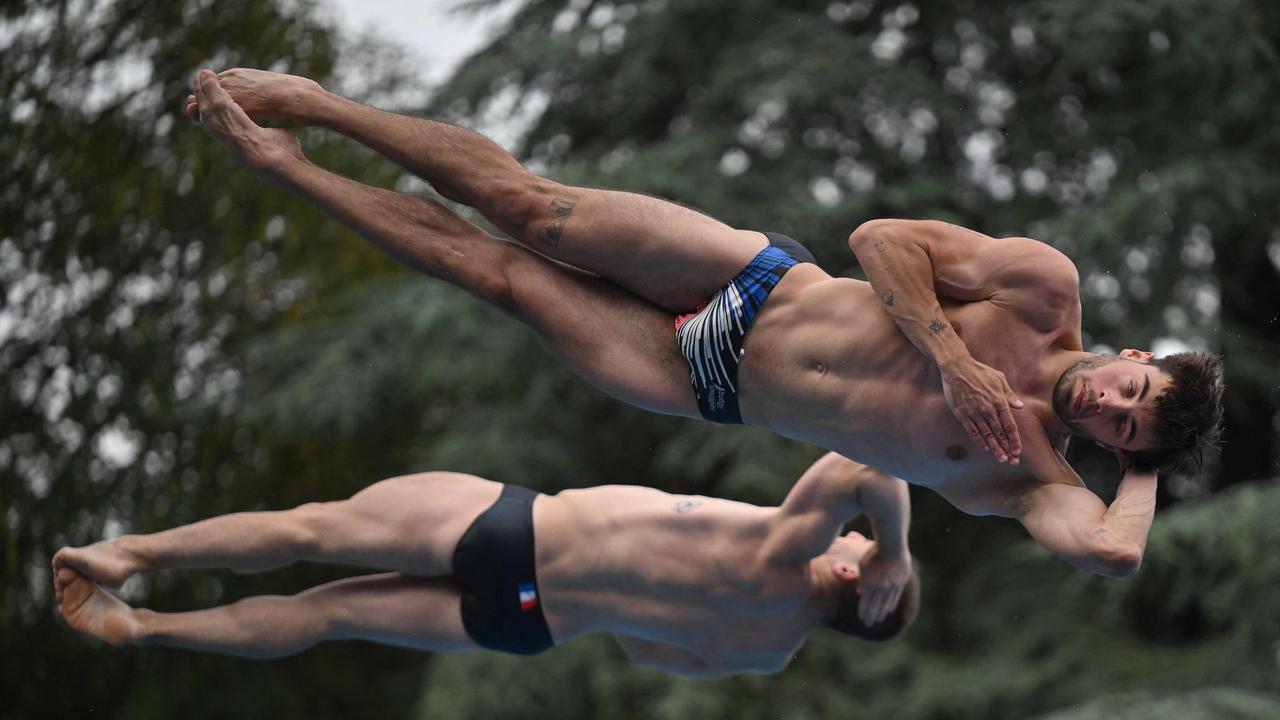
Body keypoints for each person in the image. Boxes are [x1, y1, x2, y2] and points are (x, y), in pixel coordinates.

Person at [184, 69, 1222, 582]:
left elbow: (1109, 557)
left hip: (705, 385)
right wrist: (949, 355)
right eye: (1132, 390)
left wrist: (1147, 464)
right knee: (527, 209)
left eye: (1123, 427)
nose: (1107, 405)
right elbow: (875, 240)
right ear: (1133, 356)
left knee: (498, 276)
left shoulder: (1036, 474)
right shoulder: (1041, 290)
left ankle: (286, 166)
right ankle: (318, 107)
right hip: (756, 282)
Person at [54, 454, 920, 678]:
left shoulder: (787, 545)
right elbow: (646, 651)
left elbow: (869, 471)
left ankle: (131, 555)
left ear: (855, 576)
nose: (854, 538)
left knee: (308, 528)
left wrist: (898, 546)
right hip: (530, 624)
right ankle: (147, 628)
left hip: (518, 533)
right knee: (325, 616)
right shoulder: (767, 652)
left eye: (859, 547)